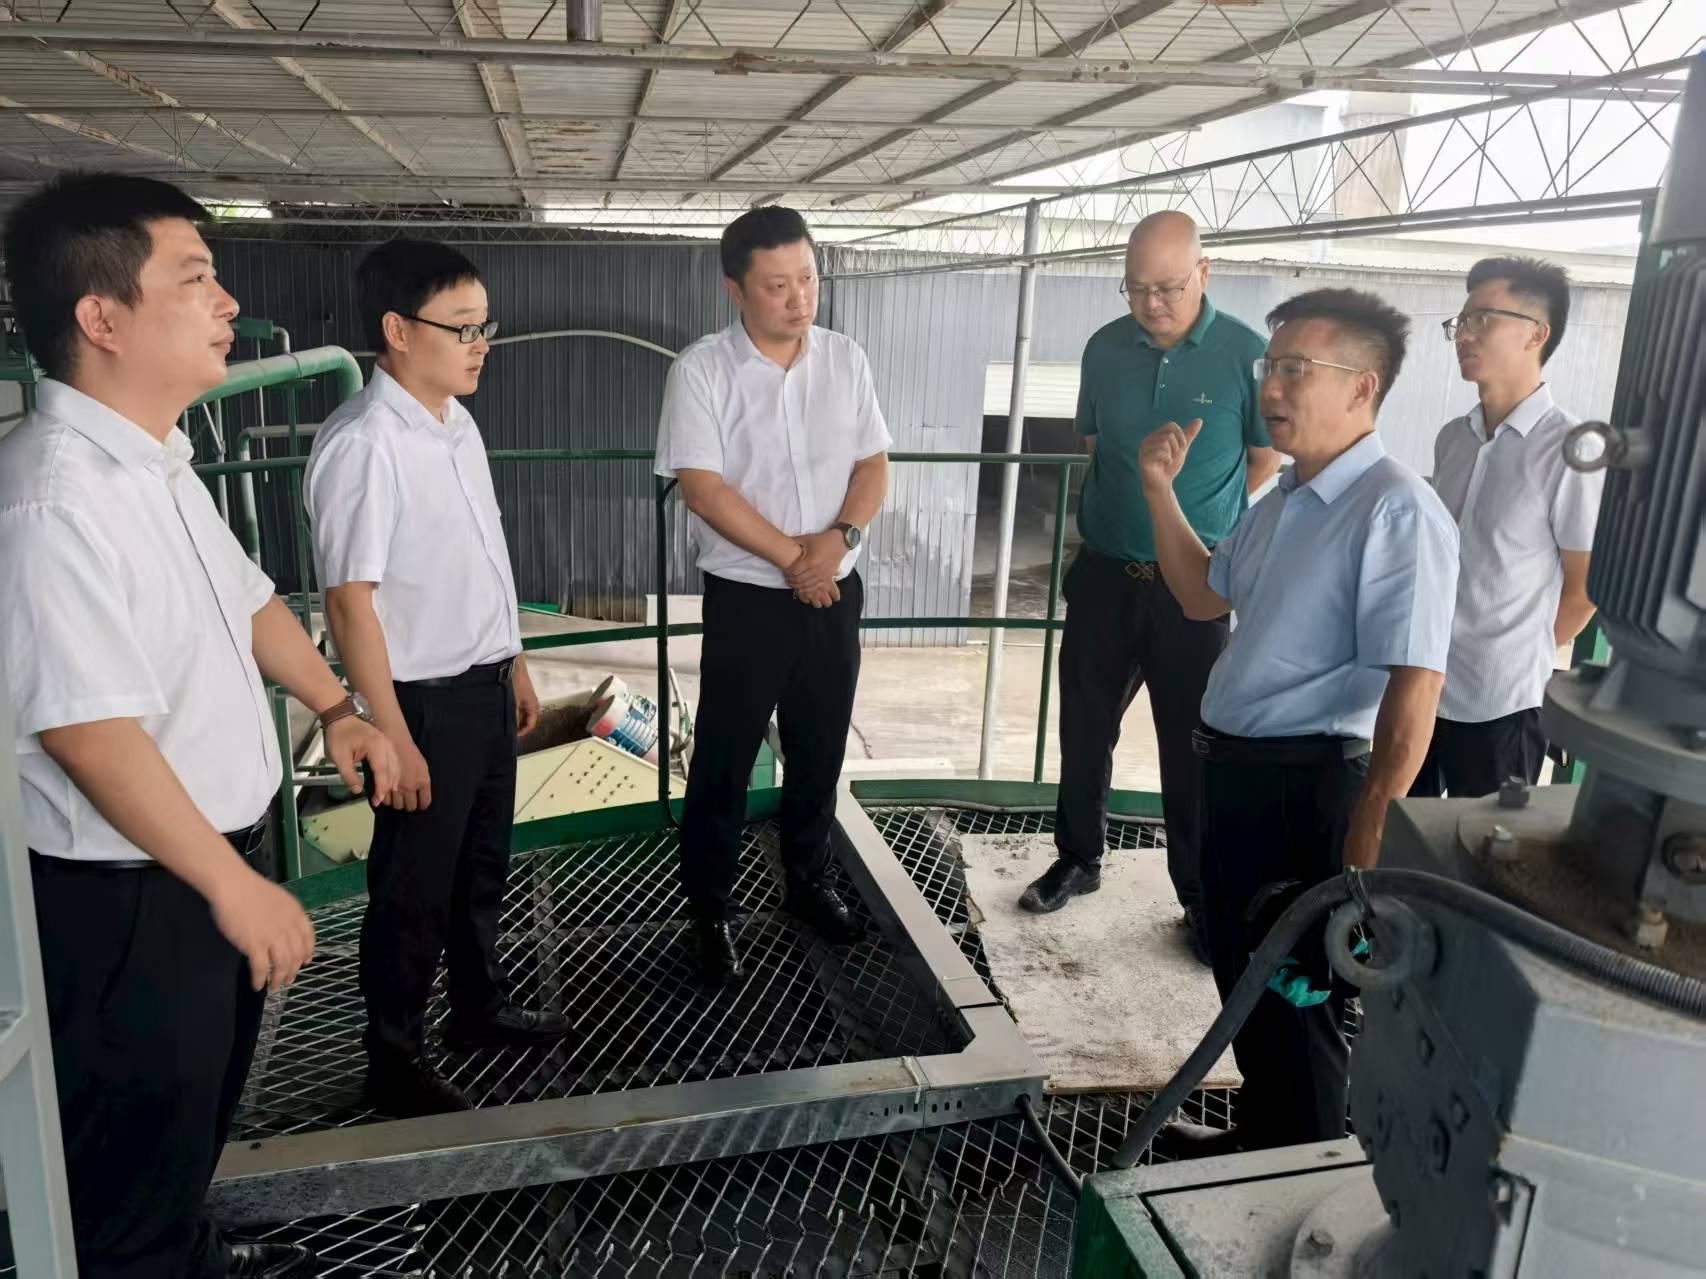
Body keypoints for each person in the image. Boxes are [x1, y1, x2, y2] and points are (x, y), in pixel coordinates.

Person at [0, 173, 399, 1279]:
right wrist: (230, 886)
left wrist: (336, 706)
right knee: (125, 1175)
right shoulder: (50, 499)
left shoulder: (158, 462)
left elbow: (252, 601)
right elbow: (89, 732)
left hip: (195, 872)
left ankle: (187, 1247)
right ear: (102, 318)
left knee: (185, 1131)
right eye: (196, 279)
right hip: (131, 902)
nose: (227, 304)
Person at [1140, 288, 1458, 1154]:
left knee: (1299, 995)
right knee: (1247, 975)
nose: (1270, 388)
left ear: (1362, 386)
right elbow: (1200, 591)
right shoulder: (1283, 500)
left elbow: (1416, 683)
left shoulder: (1395, 510)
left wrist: (1370, 832)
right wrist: (1160, 491)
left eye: (1293, 369)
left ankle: (1299, 1175)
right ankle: (1262, 1136)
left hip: (1307, 788)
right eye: (1267, 367)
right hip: (1236, 776)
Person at [305, 238, 568, 1120]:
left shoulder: (456, 423)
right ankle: (394, 1058)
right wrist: (391, 730)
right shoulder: (365, 444)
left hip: (483, 686)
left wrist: (514, 661)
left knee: (481, 864)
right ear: (397, 329)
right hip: (420, 703)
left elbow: (486, 554)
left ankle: (478, 1008)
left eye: (483, 325)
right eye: (462, 327)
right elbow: (350, 604)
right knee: (413, 890)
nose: (480, 343)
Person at [1022, 211, 1281, 964]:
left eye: (1167, 287)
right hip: (1106, 572)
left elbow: (1263, 461)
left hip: (1194, 585)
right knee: (1084, 727)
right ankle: (1078, 858)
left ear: (1205, 272)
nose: (1152, 303)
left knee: (1192, 746)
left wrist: (1195, 529)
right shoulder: (1105, 348)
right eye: (1136, 288)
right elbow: (1096, 446)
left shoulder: (1246, 355)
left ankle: (1198, 895)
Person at [655, 206, 891, 987]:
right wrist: (798, 558)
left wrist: (839, 540)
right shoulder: (702, 371)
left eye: (809, 279)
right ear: (736, 290)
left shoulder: (846, 359)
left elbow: (873, 464)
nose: (800, 299)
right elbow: (704, 488)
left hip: (833, 593)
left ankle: (809, 880)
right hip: (748, 599)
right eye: (778, 285)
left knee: (820, 747)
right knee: (724, 756)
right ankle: (710, 908)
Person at [1412, 257, 1603, 798]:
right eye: (1460, 322)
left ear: (1536, 334)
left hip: (1501, 702)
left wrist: (1519, 653)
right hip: (1422, 682)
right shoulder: (1454, 438)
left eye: (1482, 319)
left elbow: (1587, 586)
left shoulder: (1572, 450)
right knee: (1401, 832)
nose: (1463, 335)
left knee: (1480, 842)